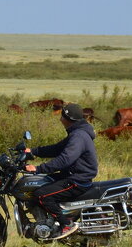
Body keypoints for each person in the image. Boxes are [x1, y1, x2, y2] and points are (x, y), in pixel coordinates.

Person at [25, 102, 98, 239]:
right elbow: (57, 148)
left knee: (42, 195)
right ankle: (47, 223)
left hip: (77, 179)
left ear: (68, 119)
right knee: (36, 188)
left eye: (62, 116)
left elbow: (65, 159)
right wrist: (33, 151)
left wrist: (38, 168)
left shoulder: (78, 136)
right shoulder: (76, 132)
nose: (60, 119)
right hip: (72, 175)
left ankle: (67, 224)